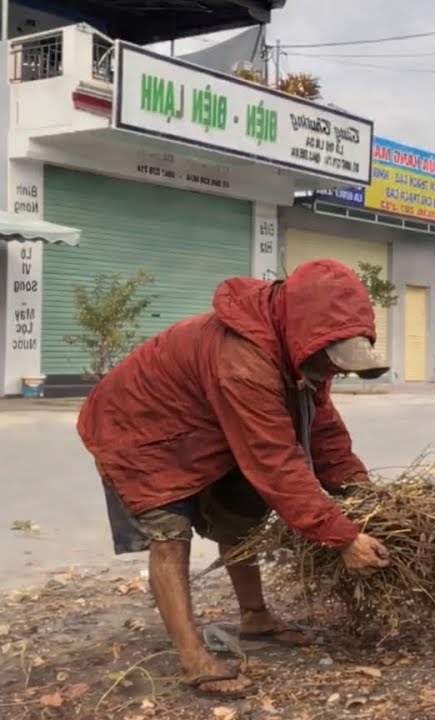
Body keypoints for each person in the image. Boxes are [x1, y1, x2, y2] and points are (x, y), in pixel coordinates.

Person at [77, 259, 394, 699]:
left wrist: (366, 497)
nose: (333, 369)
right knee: (170, 534)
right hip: (138, 430)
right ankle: (193, 659)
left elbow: (322, 432)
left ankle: (256, 617)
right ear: (305, 331)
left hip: (205, 426)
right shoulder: (243, 359)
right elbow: (275, 461)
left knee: (241, 516)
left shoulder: (301, 351)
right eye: (332, 357)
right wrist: (341, 537)